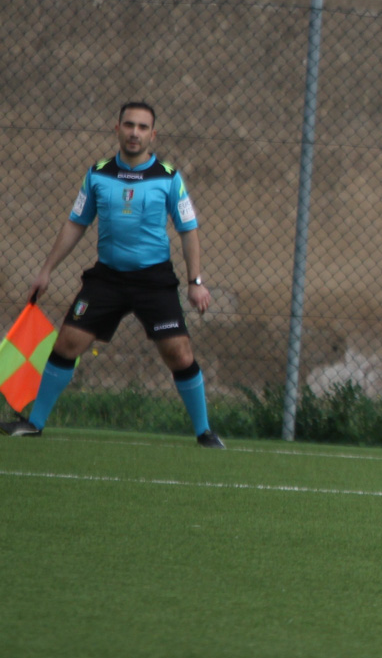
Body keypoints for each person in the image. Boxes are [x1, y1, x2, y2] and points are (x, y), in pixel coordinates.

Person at [6, 102, 221, 447]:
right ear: (117, 129)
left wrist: (195, 282)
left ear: (153, 135)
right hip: (107, 279)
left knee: (179, 354)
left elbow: (188, 229)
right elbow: (76, 223)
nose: (135, 133)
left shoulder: (168, 177)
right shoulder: (97, 174)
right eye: (129, 125)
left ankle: (204, 432)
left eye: (142, 127)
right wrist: (46, 271)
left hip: (154, 281)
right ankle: (34, 423)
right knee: (67, 343)